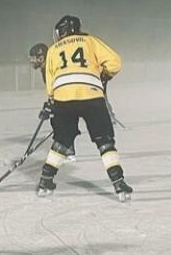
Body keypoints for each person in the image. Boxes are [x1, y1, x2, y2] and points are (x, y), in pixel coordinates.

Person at [37, 15, 132, 200]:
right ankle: (118, 183)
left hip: (63, 98)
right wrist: (104, 75)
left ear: (61, 32)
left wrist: (52, 100)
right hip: (91, 95)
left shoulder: (54, 49)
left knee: (62, 141)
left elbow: (50, 83)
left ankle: (45, 180)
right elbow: (115, 62)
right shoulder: (90, 41)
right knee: (104, 141)